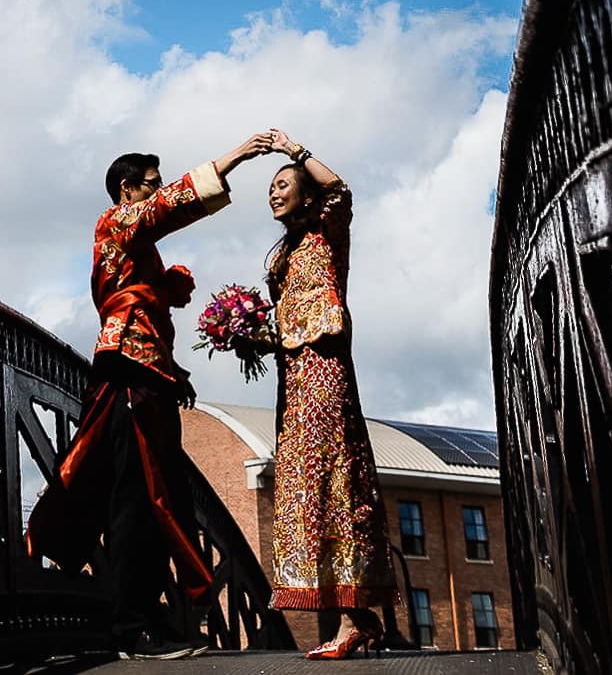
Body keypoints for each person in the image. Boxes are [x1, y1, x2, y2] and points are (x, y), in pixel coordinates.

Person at [27, 134, 275, 661]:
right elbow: (169, 208)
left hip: (147, 379)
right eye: (151, 184)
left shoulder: (136, 249)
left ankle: (145, 619)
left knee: (155, 499)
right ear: (126, 189)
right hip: (131, 381)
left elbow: (149, 321)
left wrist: (176, 370)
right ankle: (132, 627)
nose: (157, 192)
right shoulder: (113, 221)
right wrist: (235, 157)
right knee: (138, 500)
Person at [261, 129, 396, 659]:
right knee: (307, 486)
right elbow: (286, 317)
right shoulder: (285, 251)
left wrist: (294, 151)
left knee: (335, 480)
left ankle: (351, 621)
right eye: (269, 187)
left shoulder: (327, 230)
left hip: (325, 373)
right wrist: (250, 333)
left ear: (306, 194)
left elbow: (340, 190)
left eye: (283, 184)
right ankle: (355, 619)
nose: (273, 193)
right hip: (293, 379)